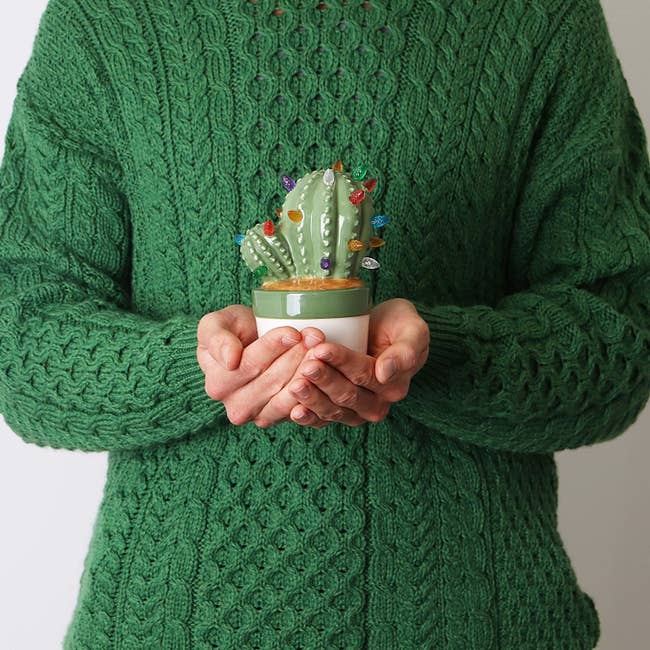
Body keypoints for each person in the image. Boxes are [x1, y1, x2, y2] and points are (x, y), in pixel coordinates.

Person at [1, 0, 648, 648]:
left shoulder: (539, 18)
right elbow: (23, 343)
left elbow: (621, 336)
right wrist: (202, 365)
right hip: (170, 624)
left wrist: (439, 353)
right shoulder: (106, 18)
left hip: (478, 620)